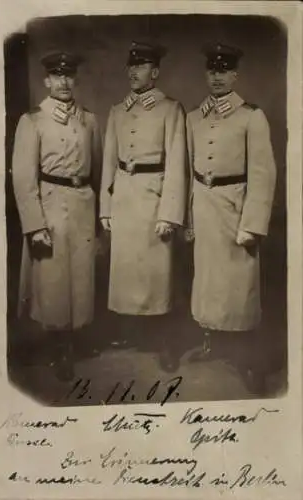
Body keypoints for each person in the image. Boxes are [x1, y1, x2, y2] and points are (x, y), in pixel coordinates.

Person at [186, 43, 277, 391]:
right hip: (204, 207)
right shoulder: (194, 117)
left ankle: (249, 357)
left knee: (240, 285)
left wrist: (252, 224)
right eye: (212, 70)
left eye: (224, 71)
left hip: (236, 207)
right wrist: (190, 219)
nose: (217, 77)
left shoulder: (251, 116)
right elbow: (189, 170)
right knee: (208, 281)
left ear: (235, 75)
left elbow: (263, 174)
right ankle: (212, 342)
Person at [12, 51, 103, 381]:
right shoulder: (33, 120)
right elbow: (24, 178)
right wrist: (35, 224)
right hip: (49, 203)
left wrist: (98, 215)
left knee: (80, 275)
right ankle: (58, 345)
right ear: (47, 81)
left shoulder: (89, 119)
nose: (64, 82)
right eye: (57, 76)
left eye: (69, 75)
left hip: (83, 203)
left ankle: (76, 338)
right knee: (53, 279)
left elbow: (97, 167)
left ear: (74, 79)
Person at [100, 41, 187, 371]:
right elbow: (109, 161)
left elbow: (177, 164)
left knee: (156, 276)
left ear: (155, 72)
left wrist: (169, 213)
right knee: (126, 272)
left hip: (154, 200)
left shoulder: (170, 109)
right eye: (131, 66)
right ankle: (131, 334)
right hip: (124, 198)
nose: (134, 72)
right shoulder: (117, 111)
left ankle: (164, 342)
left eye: (142, 66)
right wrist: (105, 208)